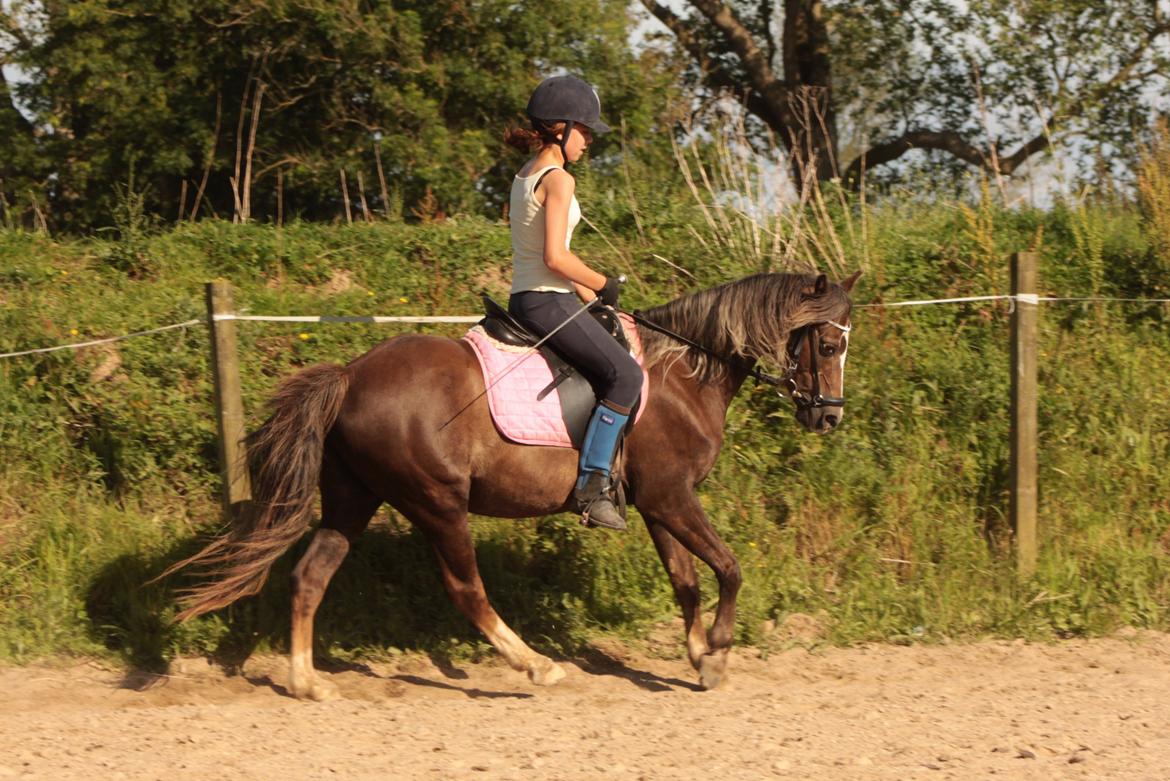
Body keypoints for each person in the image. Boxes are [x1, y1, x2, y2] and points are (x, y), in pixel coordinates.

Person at [503, 74, 642, 531]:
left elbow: (542, 258)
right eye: (584, 131)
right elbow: (556, 256)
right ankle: (593, 485)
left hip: (529, 296)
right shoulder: (559, 179)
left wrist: (596, 296)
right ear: (561, 128)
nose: (588, 142)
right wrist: (605, 281)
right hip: (547, 301)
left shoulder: (525, 174)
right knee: (626, 374)